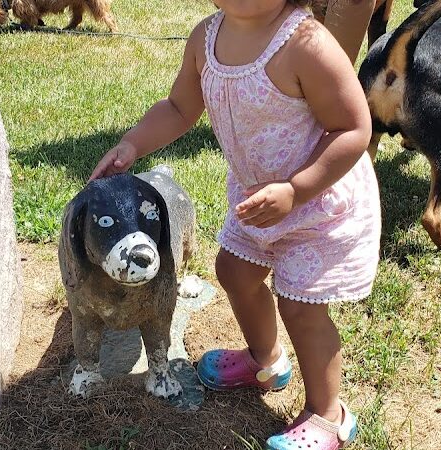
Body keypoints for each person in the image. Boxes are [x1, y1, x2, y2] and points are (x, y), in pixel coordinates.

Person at [89, 1, 380, 448]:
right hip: (257, 199)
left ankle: (328, 414)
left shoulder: (306, 44)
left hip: (316, 201)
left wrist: (297, 190)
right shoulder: (206, 40)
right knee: (235, 271)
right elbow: (179, 108)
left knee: (301, 309)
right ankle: (266, 360)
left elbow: (353, 129)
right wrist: (132, 144)